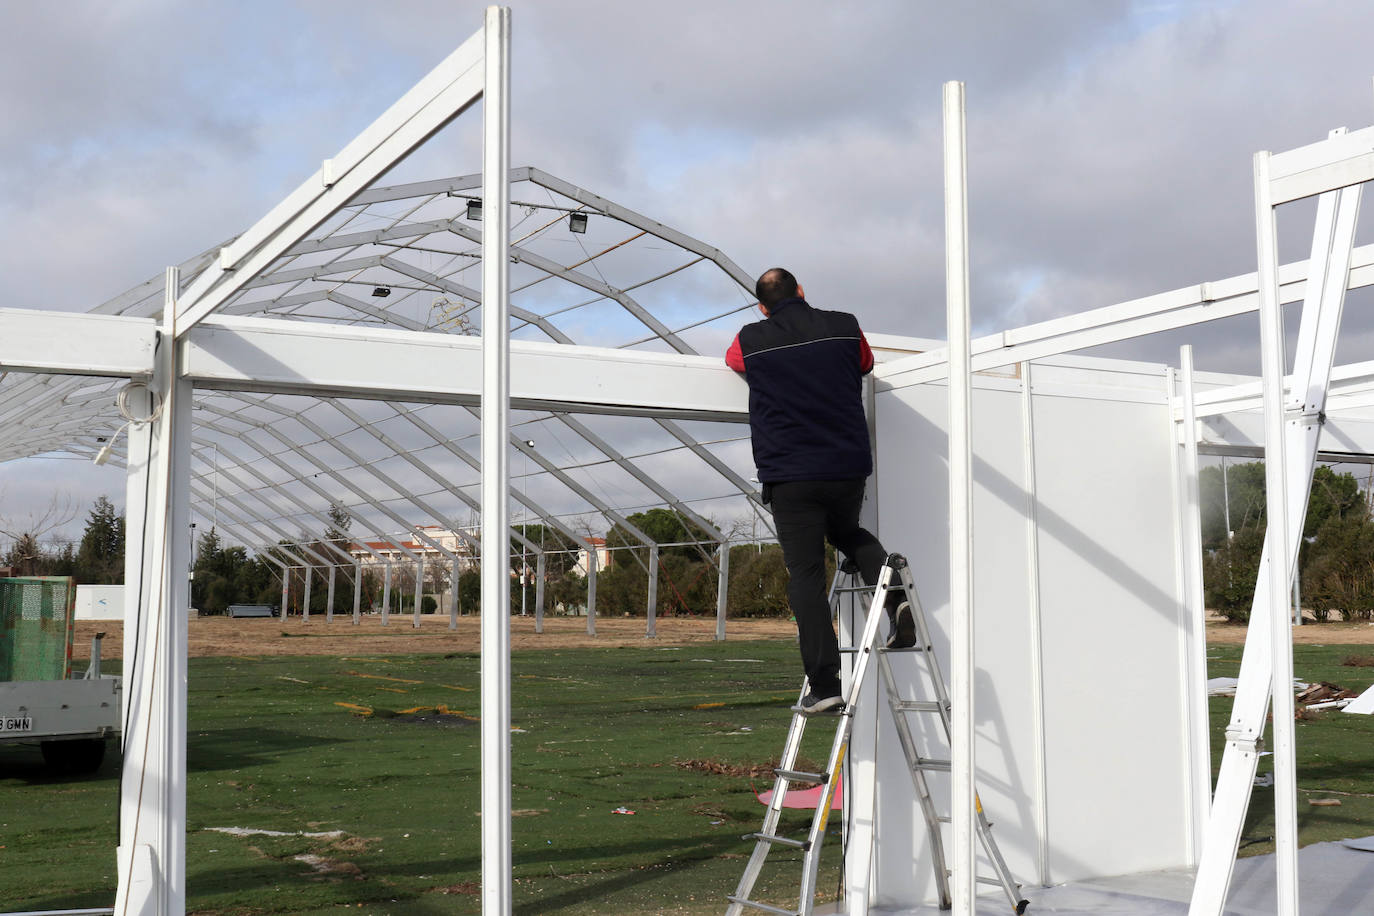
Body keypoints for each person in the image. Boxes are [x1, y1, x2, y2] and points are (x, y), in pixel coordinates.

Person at [726, 267, 913, 715]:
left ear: (761, 305)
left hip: (791, 473)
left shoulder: (750, 337)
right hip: (847, 465)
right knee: (849, 532)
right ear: (802, 291)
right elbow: (866, 363)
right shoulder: (845, 325)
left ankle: (826, 683)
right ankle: (898, 602)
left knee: (806, 577)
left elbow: (734, 362)